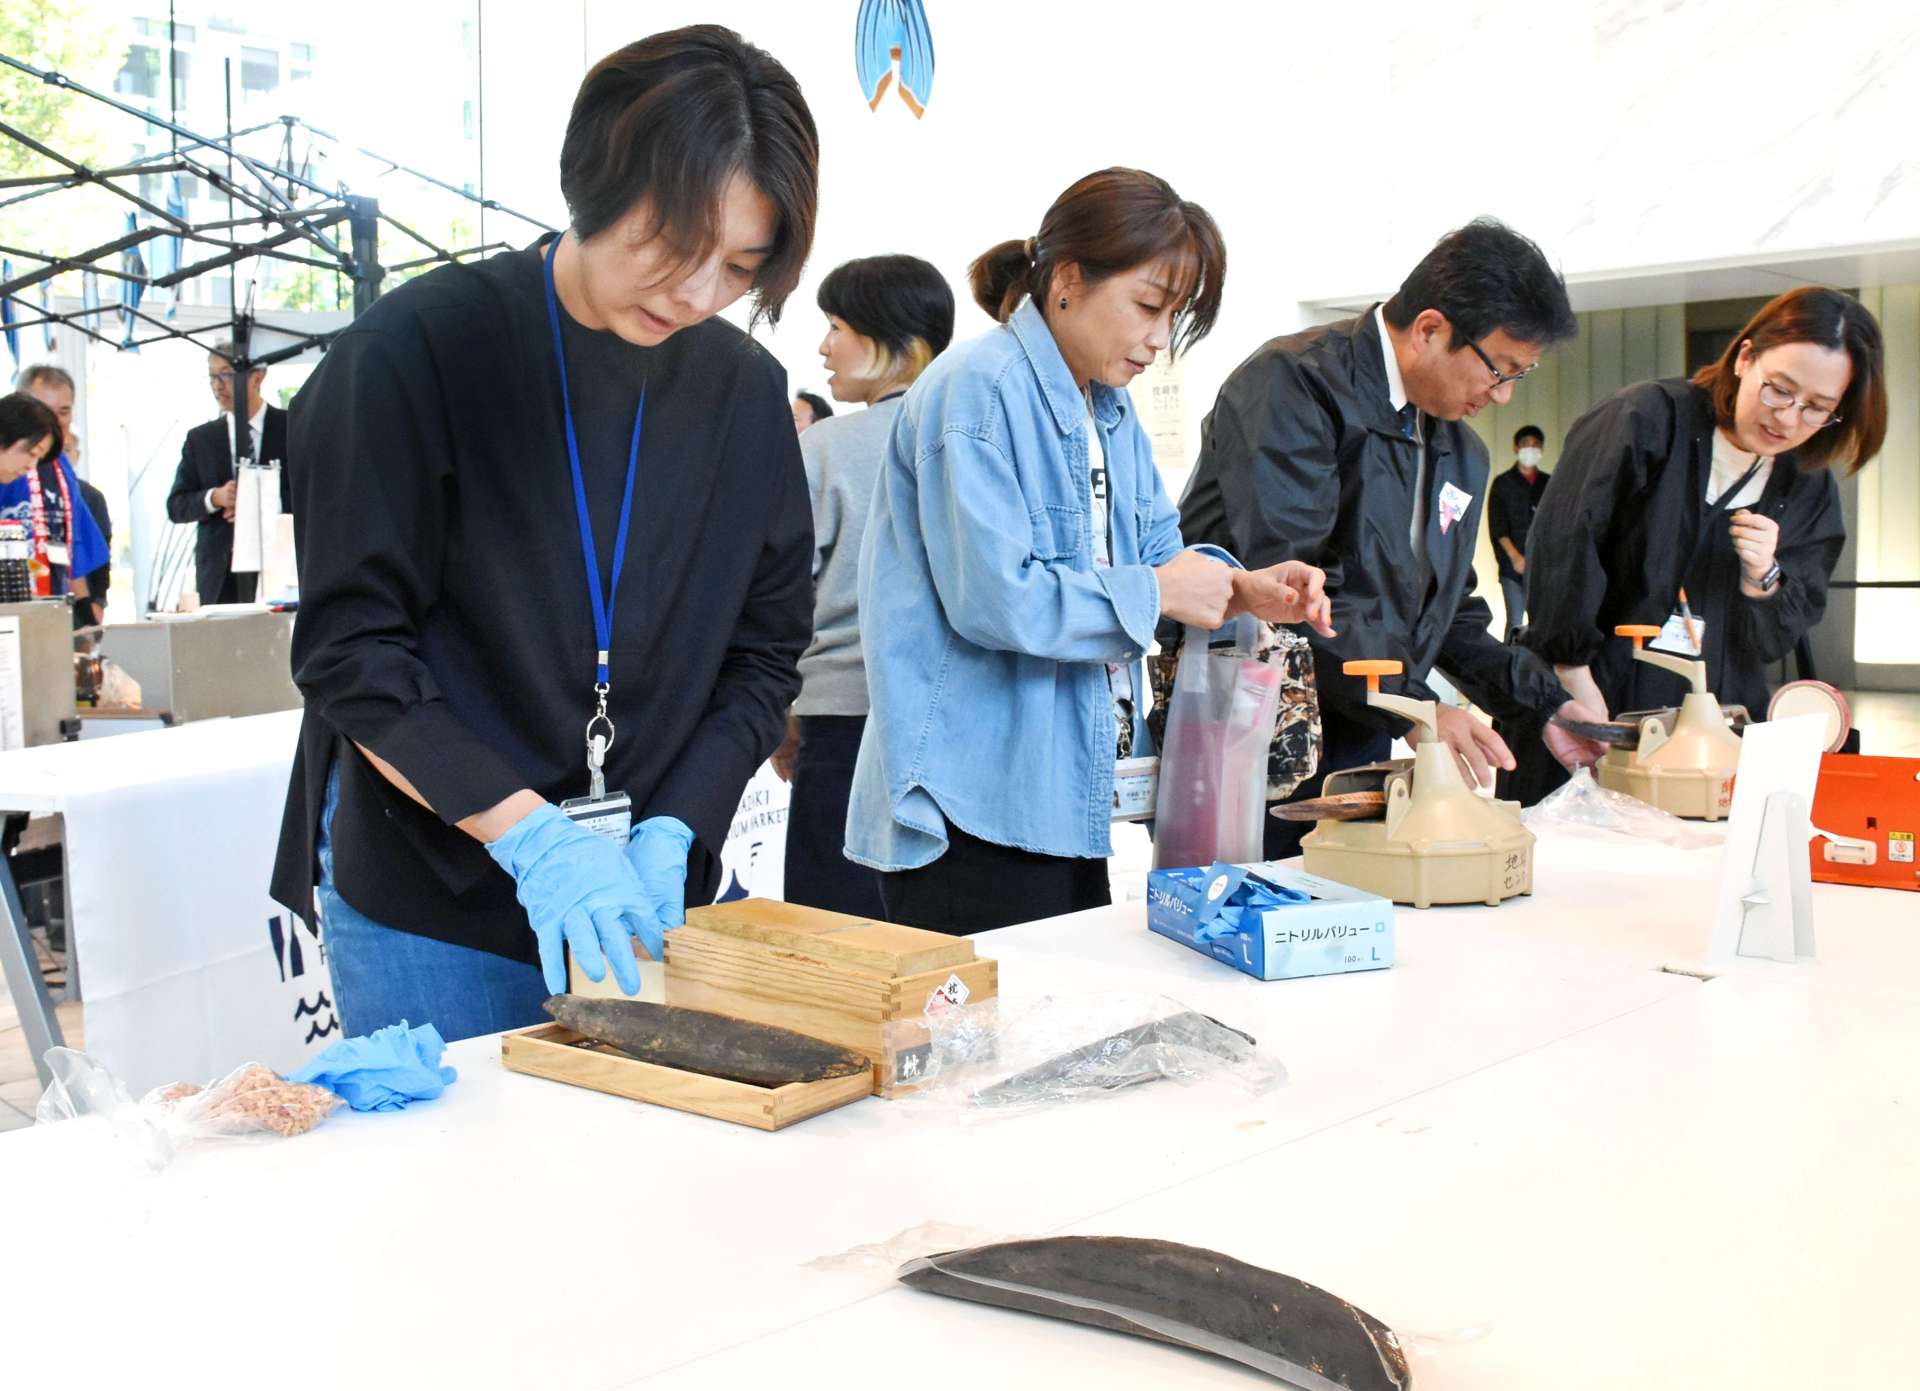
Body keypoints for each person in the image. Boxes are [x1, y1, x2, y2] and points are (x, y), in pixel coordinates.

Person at [269, 25, 820, 1040]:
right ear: (592, 183)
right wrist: (535, 838)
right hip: (437, 899)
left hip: (649, 892)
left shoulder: (744, 396)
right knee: (468, 1189)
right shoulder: (414, 353)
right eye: (673, 246)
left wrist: (674, 825)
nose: (698, 295)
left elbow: (764, 653)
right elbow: (352, 654)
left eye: (740, 267)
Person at [846, 168, 1333, 934]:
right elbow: (998, 600)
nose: (1158, 339)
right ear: (1068, 280)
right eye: (1148, 306)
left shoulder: (1107, 409)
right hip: (972, 799)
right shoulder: (977, 387)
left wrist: (1243, 589)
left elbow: (1158, 555)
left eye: (1174, 317)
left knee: (1067, 1041)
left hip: (1069, 791)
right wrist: (1161, 592)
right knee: (990, 1046)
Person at [1178, 218, 1608, 861]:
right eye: (1500, 370)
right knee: (1240, 920)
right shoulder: (1293, 383)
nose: (1505, 395)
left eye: (1523, 374)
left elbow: (1449, 614)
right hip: (1252, 722)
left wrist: (1544, 702)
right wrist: (1418, 708)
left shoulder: (1457, 449)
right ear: (1431, 329)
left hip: (1362, 722)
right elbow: (1294, 587)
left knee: (1344, 911)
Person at [1508, 286, 1887, 806]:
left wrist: (1764, 578)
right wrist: (1570, 671)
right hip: (1595, 698)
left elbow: (1779, 637)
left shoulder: (1807, 484)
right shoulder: (1645, 419)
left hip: (1718, 725)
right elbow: (1565, 544)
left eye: (1817, 408)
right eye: (1779, 389)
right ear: (1745, 357)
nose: (1788, 418)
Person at [774, 254, 954, 918]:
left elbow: (779, 599)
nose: (824, 346)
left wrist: (781, 714)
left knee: (838, 941)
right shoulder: (973, 437)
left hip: (844, 726)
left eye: (836, 325)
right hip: (963, 727)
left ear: (889, 336)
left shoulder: (824, 448)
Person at [164, 341, 289, 605]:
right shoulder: (201, 439)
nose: (217, 385)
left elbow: (315, 493)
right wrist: (215, 498)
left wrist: (262, 506)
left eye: (226, 375)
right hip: (221, 575)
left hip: (281, 565)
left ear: (257, 378)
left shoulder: (291, 427)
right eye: (212, 376)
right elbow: (176, 506)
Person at [8, 367, 108, 622]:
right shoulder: (8, 461)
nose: (54, 421)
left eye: (63, 411)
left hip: (53, 604)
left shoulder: (61, 466)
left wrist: (86, 612)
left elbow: (73, 541)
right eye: (44, 410)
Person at [1488, 423, 1549, 640]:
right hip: (1512, 567)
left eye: (1535, 445)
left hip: (1542, 566)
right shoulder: (1503, 483)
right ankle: (1510, 667)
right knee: (1515, 620)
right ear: (1516, 448)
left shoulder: (1548, 483)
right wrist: (1515, 557)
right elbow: (1498, 526)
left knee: (1542, 621)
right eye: (1525, 445)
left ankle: (1538, 667)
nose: (1530, 450)